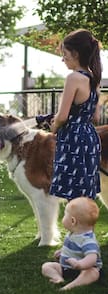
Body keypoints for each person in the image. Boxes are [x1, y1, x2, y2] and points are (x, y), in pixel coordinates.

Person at [49, 29, 102, 201]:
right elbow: (95, 118)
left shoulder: (73, 78)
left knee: (74, 195)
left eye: (64, 54)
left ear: (76, 54)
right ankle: (85, 228)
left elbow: (62, 117)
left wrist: (53, 127)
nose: (62, 59)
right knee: (86, 194)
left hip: (73, 140)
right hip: (90, 139)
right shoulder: (94, 78)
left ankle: (75, 227)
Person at [41, 197, 103, 290]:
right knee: (46, 266)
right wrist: (62, 252)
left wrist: (79, 264)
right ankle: (58, 278)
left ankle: (71, 286)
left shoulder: (88, 240)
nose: (63, 216)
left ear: (73, 221)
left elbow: (92, 258)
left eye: (65, 214)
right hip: (66, 268)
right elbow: (70, 248)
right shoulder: (72, 233)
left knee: (93, 273)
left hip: (84, 269)